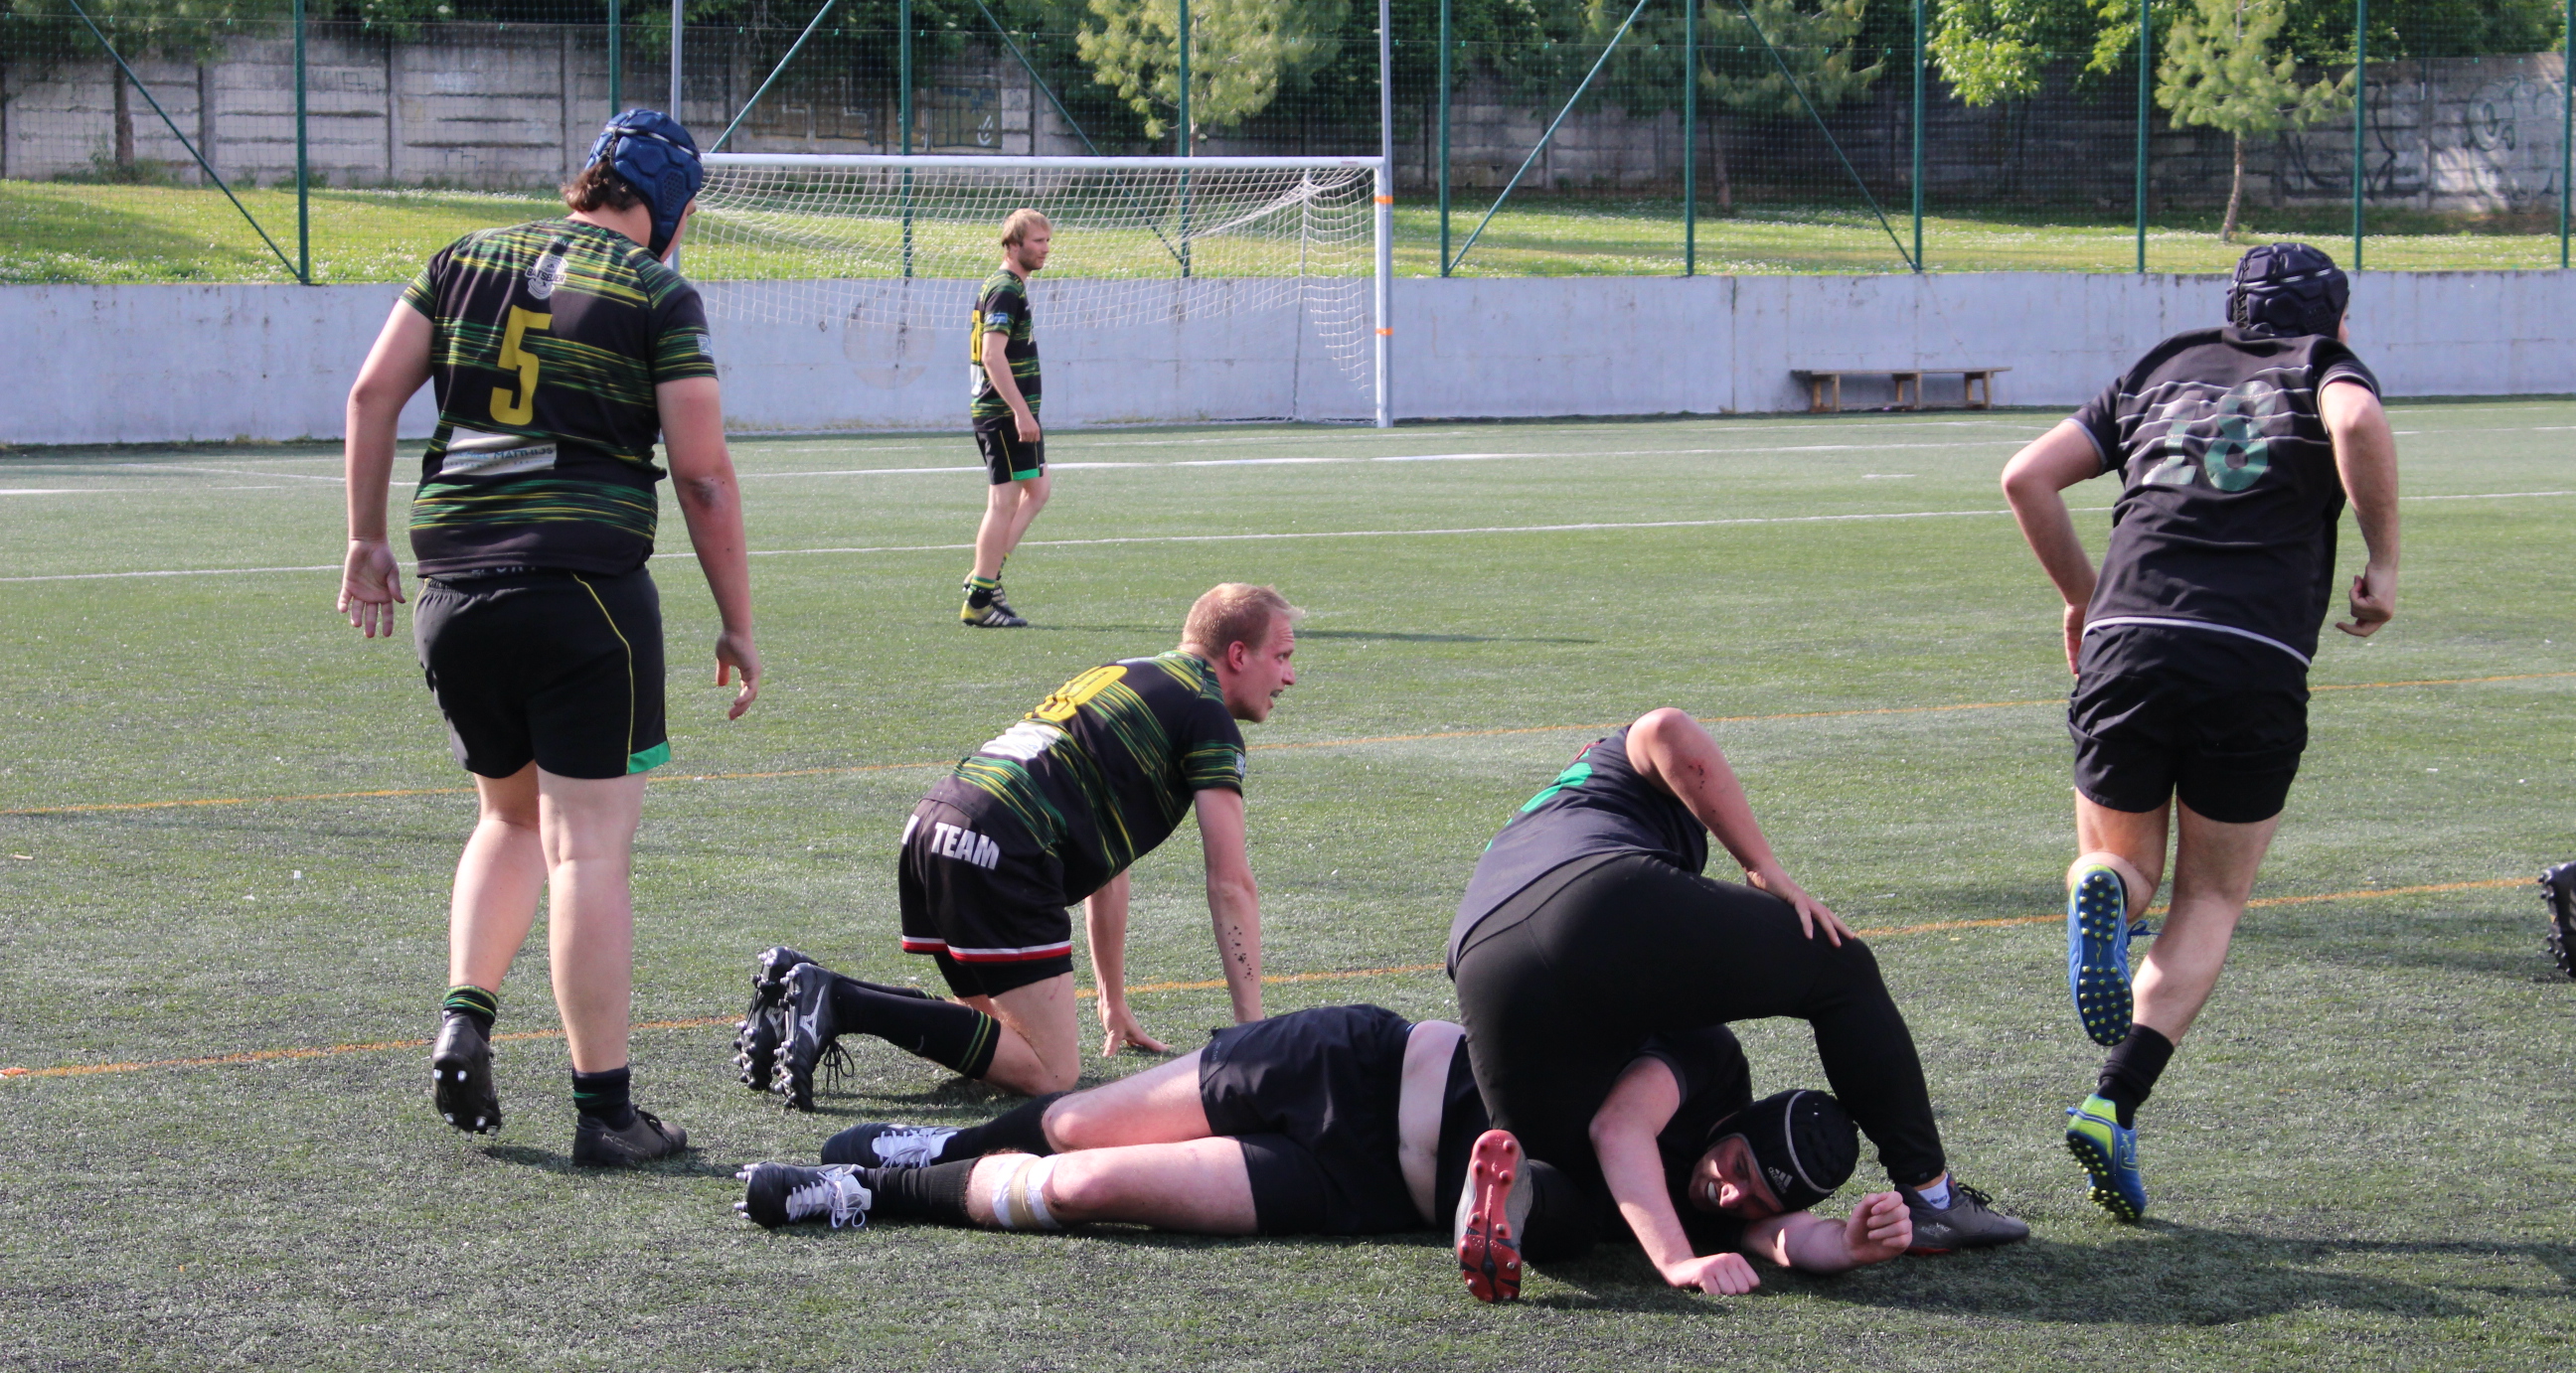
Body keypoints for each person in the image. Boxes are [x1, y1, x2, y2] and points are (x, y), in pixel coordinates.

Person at [339, 109, 759, 1168]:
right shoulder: (656, 292)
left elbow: (372, 393)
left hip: (454, 588)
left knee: (507, 816)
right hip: (583, 592)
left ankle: (465, 1015)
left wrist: (365, 539)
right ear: (669, 208)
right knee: (590, 850)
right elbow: (703, 474)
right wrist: (738, 621)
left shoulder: (462, 259)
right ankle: (606, 1114)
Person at [2000, 242, 2400, 1224]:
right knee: (2212, 896)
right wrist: (2384, 560)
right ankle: (2113, 1100)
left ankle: (2102, 887)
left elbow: (2026, 478)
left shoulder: (2165, 364)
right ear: (2334, 318)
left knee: (2125, 867)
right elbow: (2354, 419)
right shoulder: (2323, 365)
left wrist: (2083, 599)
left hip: (2127, 641)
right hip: (2250, 656)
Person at [1443, 708, 2028, 1302]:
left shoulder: (1549, 810)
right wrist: (1760, 865)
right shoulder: (1613, 765)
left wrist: (1845, 1244)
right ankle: (1932, 1197)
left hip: (1481, 957)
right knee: (1840, 966)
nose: (1729, 1195)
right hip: (1588, 892)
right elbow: (1666, 729)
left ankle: (1502, 1201)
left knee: (1555, 1180)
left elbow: (1777, 1231)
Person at [731, 1005, 1915, 1296]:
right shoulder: (1706, 1067)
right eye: (1735, 1163)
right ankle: (947, 1139)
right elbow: (1619, 1128)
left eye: (1747, 1196)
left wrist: (1854, 1244)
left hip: (1355, 1186)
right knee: (1081, 1118)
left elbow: (1786, 1241)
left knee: (1089, 1183)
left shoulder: (1735, 1215)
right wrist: (1672, 1258)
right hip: (1352, 1065)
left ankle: (870, 1193)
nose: (1725, 1187)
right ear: (1737, 1124)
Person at [741, 583, 1296, 1106]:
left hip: (935, 821)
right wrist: (1252, 1033)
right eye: (1282, 657)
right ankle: (839, 1001)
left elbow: (1109, 866)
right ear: (1238, 654)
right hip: (1002, 842)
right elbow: (1230, 882)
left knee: (997, 1041)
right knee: (1050, 1073)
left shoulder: (1130, 673)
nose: (1289, 677)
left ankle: (800, 982)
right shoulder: (1206, 712)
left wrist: (1112, 1000)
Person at [960, 209, 1052, 629]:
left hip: (1011, 413)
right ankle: (980, 598)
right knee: (1003, 502)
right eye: (1037, 241)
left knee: (1039, 490)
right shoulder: (1005, 289)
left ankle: (987, 573)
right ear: (1013, 245)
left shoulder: (1011, 286)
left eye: (1047, 241)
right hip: (1003, 414)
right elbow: (992, 355)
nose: (1045, 249)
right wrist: (1020, 412)